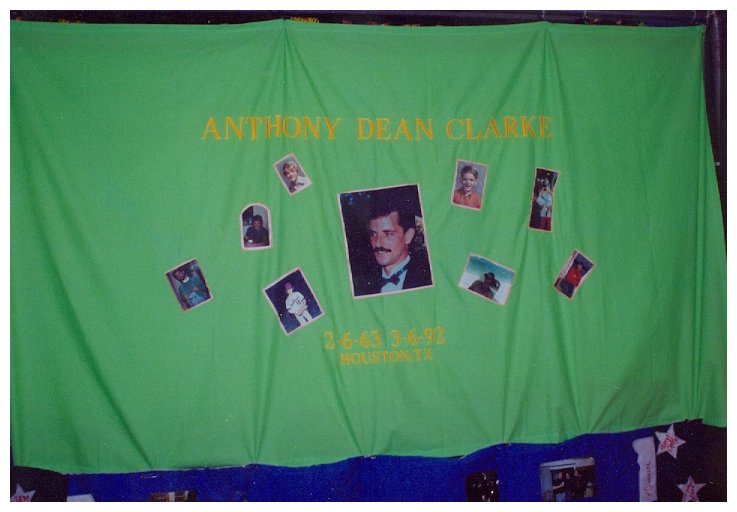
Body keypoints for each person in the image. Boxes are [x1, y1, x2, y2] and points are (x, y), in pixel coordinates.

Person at [353, 200, 432, 296]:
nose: (377, 243)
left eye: (388, 234)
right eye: (373, 234)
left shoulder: (427, 279)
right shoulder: (361, 284)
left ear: (408, 236)